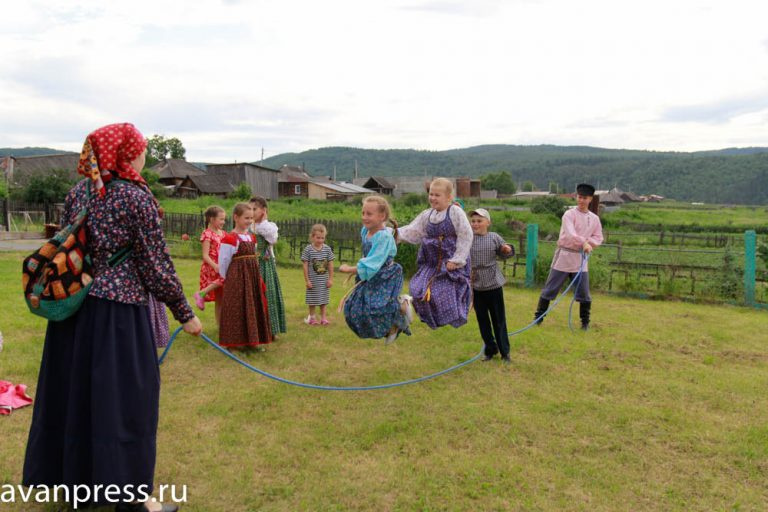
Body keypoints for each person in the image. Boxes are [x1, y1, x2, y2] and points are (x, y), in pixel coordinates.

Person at [22, 122, 201, 512]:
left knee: (78, 399)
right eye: (141, 150)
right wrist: (185, 313)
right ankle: (134, 501)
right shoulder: (136, 198)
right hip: (117, 315)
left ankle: (78, 486)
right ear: (126, 153)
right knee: (125, 404)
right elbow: (156, 265)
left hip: (74, 312)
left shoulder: (78, 193)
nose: (143, 156)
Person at [398, 177, 473, 329]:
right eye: (431, 194)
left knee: (444, 293)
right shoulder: (427, 215)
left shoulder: (455, 212)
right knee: (417, 288)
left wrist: (457, 260)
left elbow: (466, 234)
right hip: (431, 263)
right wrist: (394, 234)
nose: (432, 198)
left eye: (437, 195)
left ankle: (448, 317)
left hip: (450, 263)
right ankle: (413, 309)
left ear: (448, 197)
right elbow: (414, 231)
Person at [339, 196, 412, 343]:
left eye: (369, 214)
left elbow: (373, 262)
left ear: (382, 216)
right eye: (363, 213)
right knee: (355, 309)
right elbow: (367, 256)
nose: (364, 217)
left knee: (377, 307)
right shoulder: (365, 231)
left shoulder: (383, 237)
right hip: (370, 276)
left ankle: (402, 305)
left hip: (385, 276)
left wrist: (349, 269)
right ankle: (390, 329)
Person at [534, 183, 603, 330]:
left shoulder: (594, 218)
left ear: (590, 199)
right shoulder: (569, 214)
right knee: (550, 288)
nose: (581, 200)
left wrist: (588, 244)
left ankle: (585, 323)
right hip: (565, 255)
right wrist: (584, 242)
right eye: (579, 197)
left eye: (585, 198)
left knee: (584, 293)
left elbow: (598, 237)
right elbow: (571, 234)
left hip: (580, 258)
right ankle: (538, 318)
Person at [218, 203, 272, 348]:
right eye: (246, 218)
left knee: (252, 305)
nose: (249, 221)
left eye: (251, 218)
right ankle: (235, 341)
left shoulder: (251, 237)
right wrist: (227, 278)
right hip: (237, 277)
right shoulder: (230, 238)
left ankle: (252, 339)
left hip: (251, 276)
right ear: (236, 217)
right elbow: (223, 261)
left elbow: (254, 256)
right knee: (237, 307)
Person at [468, 208, 515, 363]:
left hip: (494, 285)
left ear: (488, 222)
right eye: (473, 221)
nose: (475, 224)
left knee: (498, 320)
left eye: (479, 221)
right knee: (483, 321)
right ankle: (490, 349)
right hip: (477, 286)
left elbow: (505, 252)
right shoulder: (468, 238)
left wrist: (506, 249)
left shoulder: (494, 237)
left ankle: (505, 352)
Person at [249, 196, 286, 338]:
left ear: (263, 210)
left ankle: (271, 329)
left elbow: (273, 239)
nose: (252, 212)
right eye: (250, 209)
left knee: (268, 294)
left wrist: (263, 221)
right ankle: (255, 329)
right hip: (251, 264)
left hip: (265, 265)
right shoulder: (249, 226)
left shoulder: (269, 226)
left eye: (255, 209)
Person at [194, 205, 226, 326]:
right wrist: (215, 266)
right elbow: (205, 255)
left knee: (220, 299)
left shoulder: (223, 234)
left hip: (221, 266)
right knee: (222, 284)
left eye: (224, 219)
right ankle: (201, 293)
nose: (223, 222)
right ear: (212, 219)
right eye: (221, 219)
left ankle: (220, 325)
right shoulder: (207, 234)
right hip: (212, 268)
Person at [301, 224, 334, 325]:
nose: (320, 240)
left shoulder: (327, 249)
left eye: (322, 238)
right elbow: (305, 266)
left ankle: (323, 318)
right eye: (318, 237)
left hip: (324, 281)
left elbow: (330, 264)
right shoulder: (308, 250)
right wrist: (307, 280)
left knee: (323, 300)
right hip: (313, 281)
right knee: (312, 300)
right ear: (312, 237)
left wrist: (330, 279)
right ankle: (312, 318)